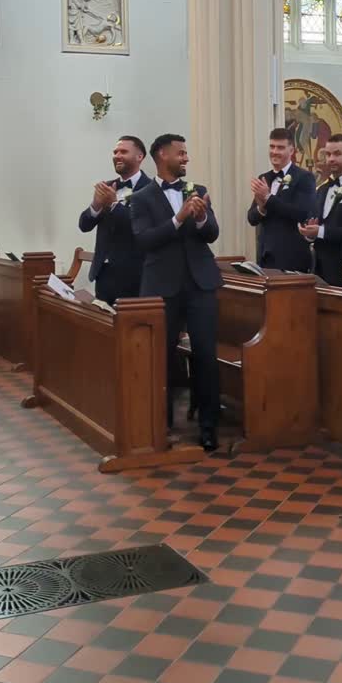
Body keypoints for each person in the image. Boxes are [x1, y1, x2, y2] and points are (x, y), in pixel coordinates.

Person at [130, 134, 221, 452]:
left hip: (201, 284)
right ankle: (161, 424)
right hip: (162, 286)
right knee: (162, 357)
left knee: (206, 356)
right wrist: (178, 218)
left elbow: (212, 233)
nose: (186, 158)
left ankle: (209, 427)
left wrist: (200, 218)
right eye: (180, 153)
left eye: (186, 153)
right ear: (161, 155)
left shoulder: (199, 191)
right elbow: (144, 240)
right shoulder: (141, 198)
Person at [78, 136, 151, 305]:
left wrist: (113, 204)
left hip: (135, 276)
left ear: (139, 157)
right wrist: (96, 205)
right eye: (115, 152)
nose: (117, 155)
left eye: (123, 151)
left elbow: (139, 227)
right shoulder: (108, 186)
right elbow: (84, 225)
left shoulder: (151, 189)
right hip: (103, 274)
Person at [247, 127, 316, 272]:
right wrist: (261, 208)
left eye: (280, 147)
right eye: (272, 146)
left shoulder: (304, 178)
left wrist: (268, 198)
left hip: (291, 257)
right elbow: (252, 219)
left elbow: (301, 213)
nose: (274, 151)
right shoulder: (264, 178)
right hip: (265, 255)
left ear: (291, 150)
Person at [298, 133, 342, 285]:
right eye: (328, 154)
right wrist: (310, 234)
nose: (331, 159)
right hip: (318, 268)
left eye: (337, 154)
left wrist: (320, 231)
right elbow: (317, 222)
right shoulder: (322, 189)